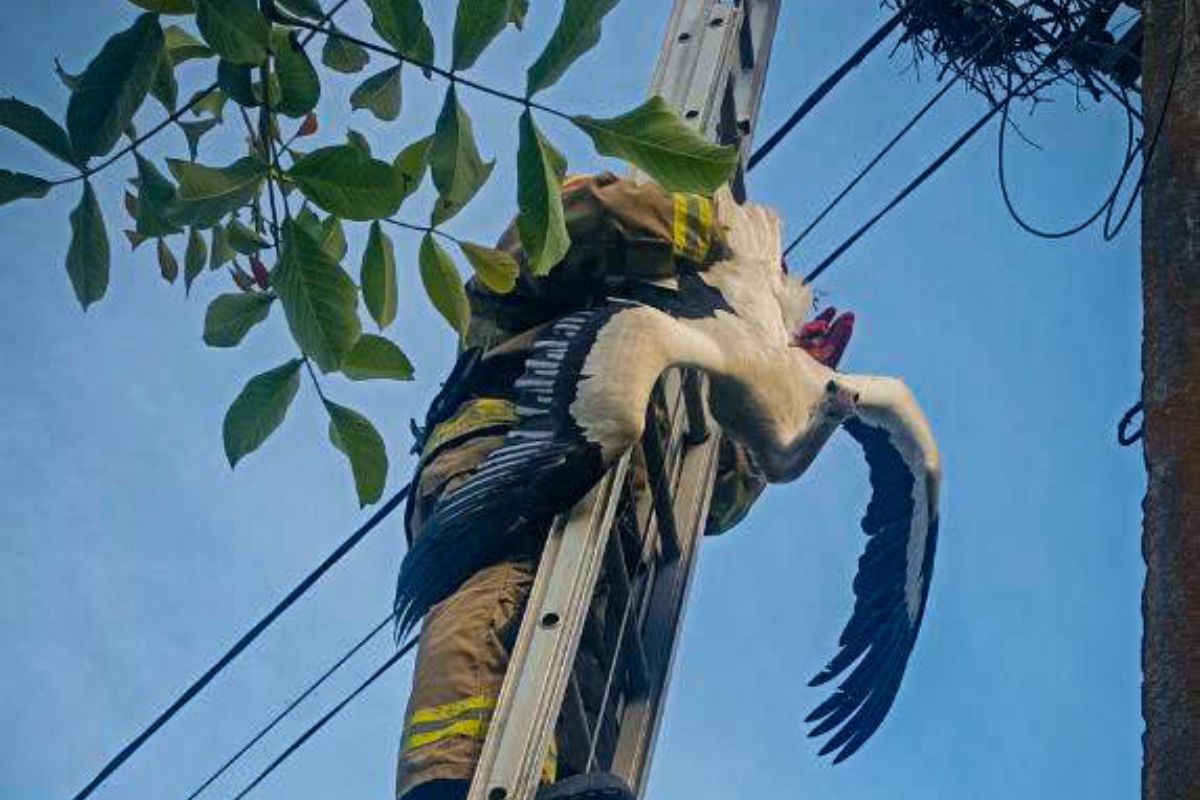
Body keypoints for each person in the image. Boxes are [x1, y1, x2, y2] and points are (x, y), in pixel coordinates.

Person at [396, 175, 854, 800]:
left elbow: (711, 506)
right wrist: (711, 234)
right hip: (503, 461)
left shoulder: (686, 368)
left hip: (609, 533)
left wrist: (777, 396)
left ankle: (535, 785)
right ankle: (449, 788)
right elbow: (566, 224)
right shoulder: (588, 268)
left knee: (577, 680)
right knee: (496, 608)